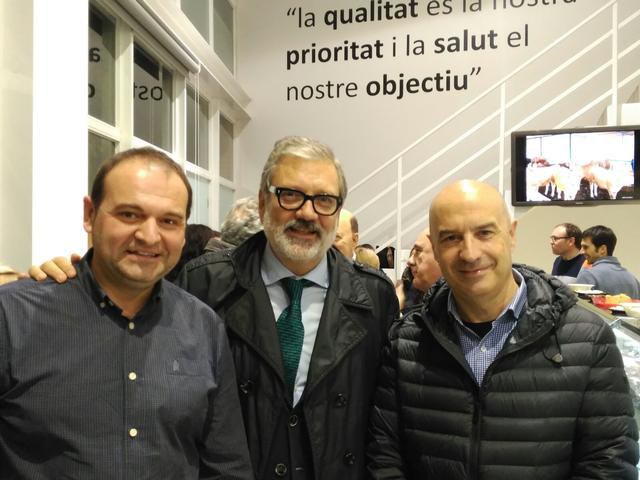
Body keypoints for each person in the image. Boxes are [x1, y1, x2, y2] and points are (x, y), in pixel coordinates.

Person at [32, 137, 398, 480]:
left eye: (324, 200)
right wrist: (76, 282)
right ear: (262, 202)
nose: (307, 212)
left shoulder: (373, 297)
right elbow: (130, 335)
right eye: (290, 195)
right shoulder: (202, 282)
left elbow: (383, 427)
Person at [0, 148, 252, 479]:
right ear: (90, 214)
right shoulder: (12, 316)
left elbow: (226, 467)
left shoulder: (204, 327)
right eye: (130, 215)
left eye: (169, 221)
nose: (149, 236)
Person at [367, 180, 638, 479]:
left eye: (484, 232)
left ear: (511, 234)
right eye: (451, 237)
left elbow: (609, 463)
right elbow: (384, 456)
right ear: (437, 247)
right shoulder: (406, 341)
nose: (470, 253)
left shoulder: (586, 338)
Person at [576, 225, 640, 297]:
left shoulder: (588, 276)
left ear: (602, 249)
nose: (581, 252)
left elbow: (577, 304)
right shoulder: (633, 280)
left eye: (585, 247)